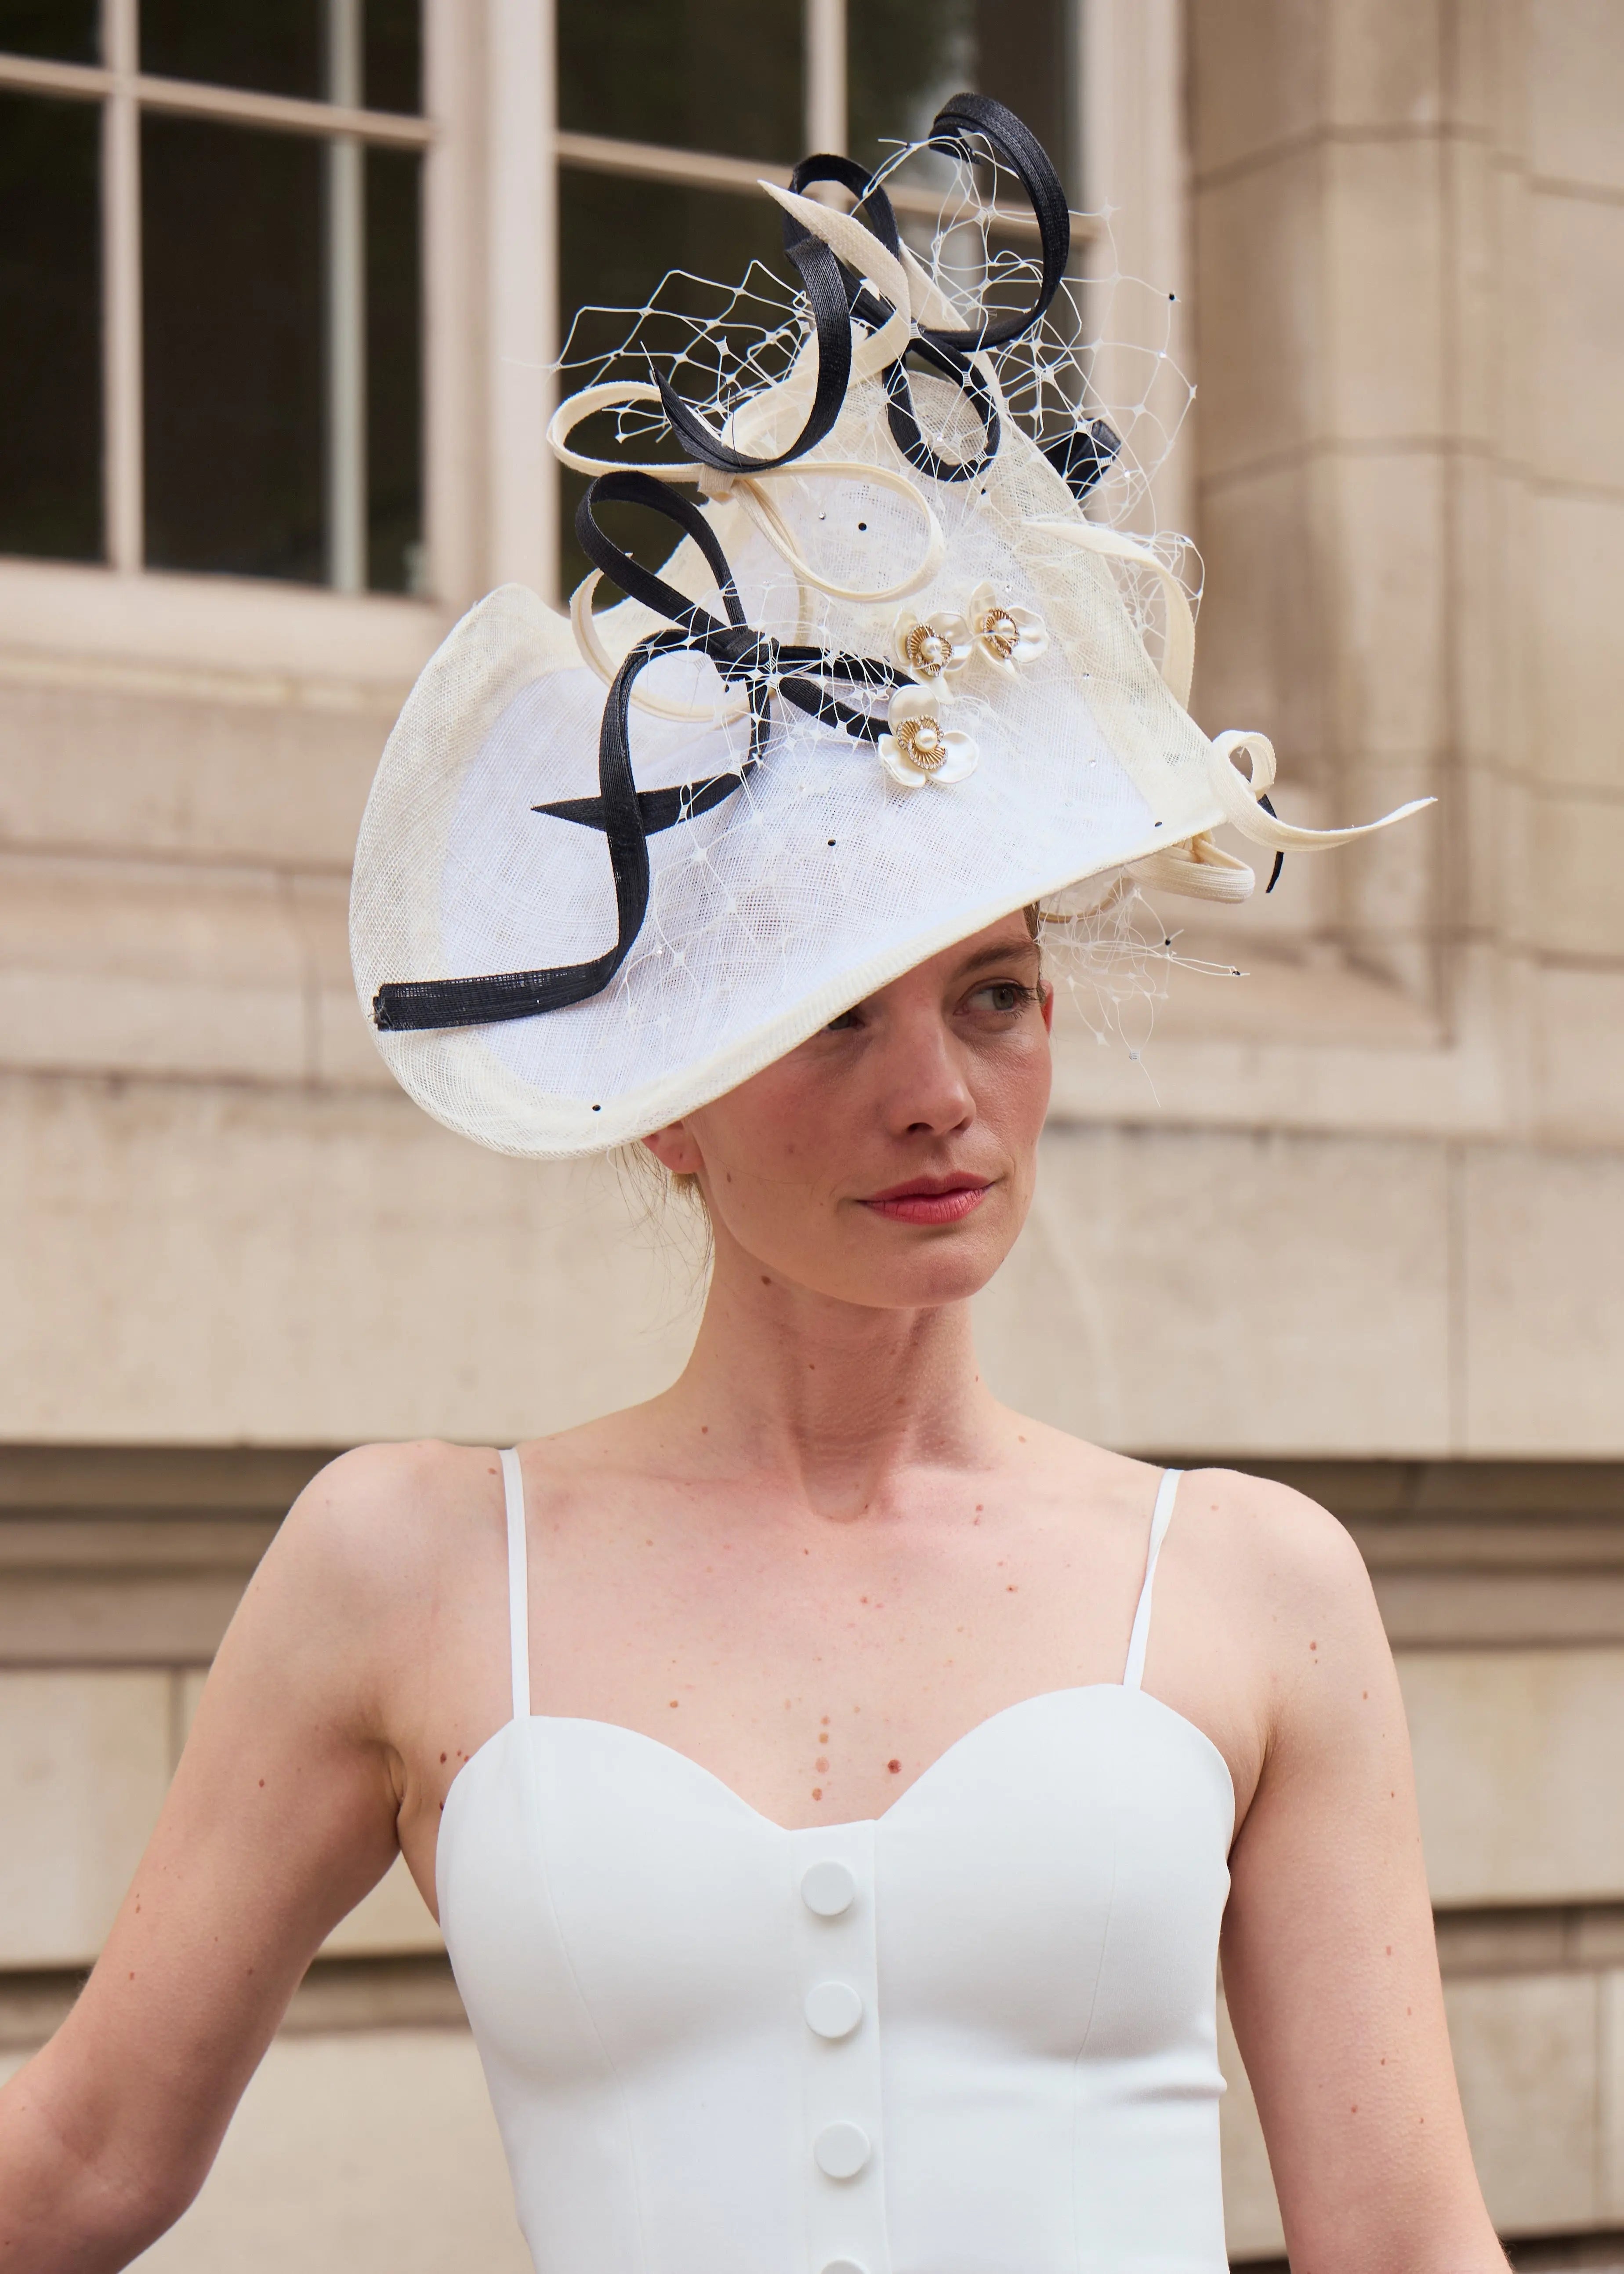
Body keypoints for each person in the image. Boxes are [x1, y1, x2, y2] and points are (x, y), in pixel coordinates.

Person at [0, 95, 1500, 2274]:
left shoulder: (1256, 1586)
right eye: (833, 1019)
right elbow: (73, 2167)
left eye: (995, 996)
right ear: (669, 1099)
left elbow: (1407, 2245)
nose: (939, 1097)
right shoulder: (411, 1567)